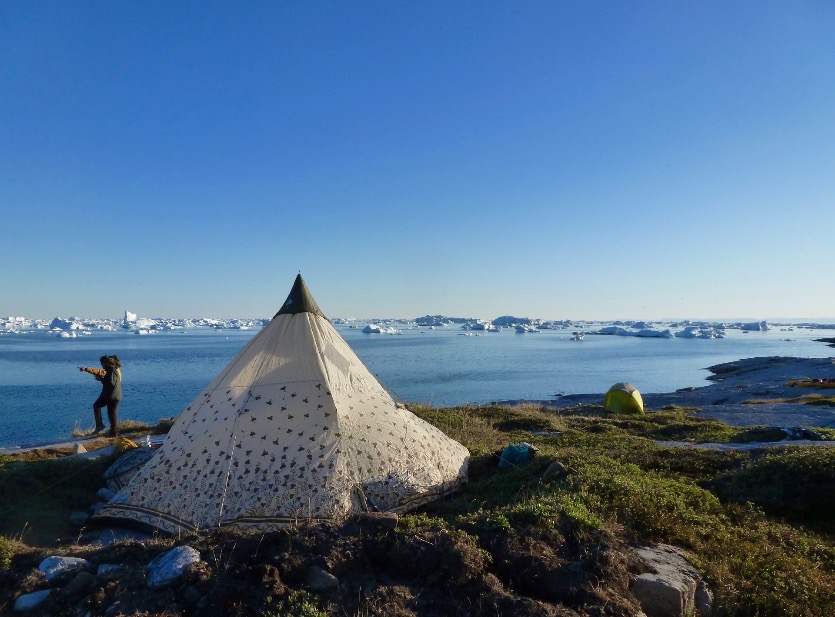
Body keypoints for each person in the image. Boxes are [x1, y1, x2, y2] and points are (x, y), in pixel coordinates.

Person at [78, 355, 122, 437]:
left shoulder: (112, 370)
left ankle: (114, 433)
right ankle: (100, 426)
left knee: (111, 413)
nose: (101, 365)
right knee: (97, 406)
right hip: (109, 395)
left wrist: (100, 379)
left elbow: (111, 383)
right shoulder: (110, 369)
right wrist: (85, 369)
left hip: (112, 396)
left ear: (106, 363)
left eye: (102, 363)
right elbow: (98, 371)